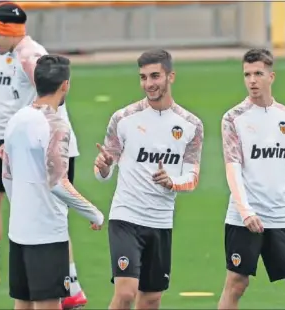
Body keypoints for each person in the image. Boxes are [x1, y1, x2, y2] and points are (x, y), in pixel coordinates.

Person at [0, 2, 88, 308]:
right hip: (11, 142)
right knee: (19, 214)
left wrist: (33, 140)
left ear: (9, 31)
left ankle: (69, 286)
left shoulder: (31, 57)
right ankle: (7, 275)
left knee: (50, 217)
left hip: (38, 150)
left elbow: (53, 101)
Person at [93, 49, 204, 310]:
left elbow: (193, 175)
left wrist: (173, 182)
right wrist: (104, 167)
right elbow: (102, 174)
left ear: (170, 76)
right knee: (126, 293)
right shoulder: (123, 119)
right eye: (143, 77)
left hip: (161, 221)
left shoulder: (191, 125)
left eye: (155, 76)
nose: (148, 83)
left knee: (152, 298)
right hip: (126, 218)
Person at [1, 54, 104, 310]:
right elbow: (59, 182)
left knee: (22, 302)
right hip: (47, 233)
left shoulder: (16, 119)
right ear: (65, 85)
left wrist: (22, 208)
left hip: (19, 230)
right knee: (48, 303)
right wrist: (94, 214)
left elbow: (7, 175)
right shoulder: (58, 125)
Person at [218, 48, 285, 310]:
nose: (252, 80)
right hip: (244, 217)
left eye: (258, 73)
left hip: (281, 215)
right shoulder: (233, 118)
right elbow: (232, 167)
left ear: (271, 76)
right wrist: (245, 210)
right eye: (247, 74)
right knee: (236, 283)